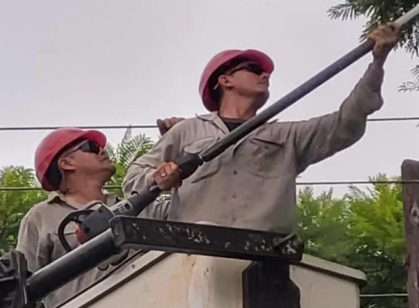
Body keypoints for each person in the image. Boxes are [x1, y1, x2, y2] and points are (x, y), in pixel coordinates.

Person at [123, 24, 400, 233]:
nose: (265, 74)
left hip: (266, 260)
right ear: (225, 80)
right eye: (254, 69)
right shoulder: (188, 132)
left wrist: (377, 63)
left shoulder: (286, 137)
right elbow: (132, 179)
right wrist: (158, 177)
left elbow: (346, 125)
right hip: (193, 256)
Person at [0, 127, 177, 308]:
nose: (103, 150)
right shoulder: (43, 217)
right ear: (66, 163)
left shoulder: (134, 207)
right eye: (91, 148)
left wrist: (177, 145)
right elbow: (25, 287)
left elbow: (192, 207)